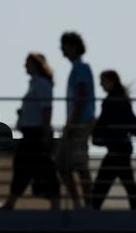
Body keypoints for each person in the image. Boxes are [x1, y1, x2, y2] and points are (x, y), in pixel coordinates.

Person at [0, 53, 59, 210]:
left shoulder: (41, 84)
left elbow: (47, 110)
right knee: (37, 169)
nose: (24, 66)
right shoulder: (36, 84)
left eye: (27, 63)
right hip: (32, 134)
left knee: (27, 167)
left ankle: (11, 204)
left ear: (36, 64)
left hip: (36, 135)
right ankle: (54, 206)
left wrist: (45, 134)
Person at [91, 70, 136, 210]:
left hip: (116, 148)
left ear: (111, 81)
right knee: (128, 183)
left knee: (102, 183)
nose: (101, 84)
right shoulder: (121, 99)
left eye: (103, 81)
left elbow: (104, 122)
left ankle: (91, 211)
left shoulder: (111, 101)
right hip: (123, 147)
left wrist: (94, 130)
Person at [56, 31, 95, 209]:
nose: (61, 49)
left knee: (77, 164)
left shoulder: (80, 68)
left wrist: (71, 121)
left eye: (63, 45)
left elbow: (81, 96)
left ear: (72, 46)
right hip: (79, 121)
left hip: (79, 122)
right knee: (67, 164)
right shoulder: (78, 68)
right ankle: (82, 203)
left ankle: (86, 204)